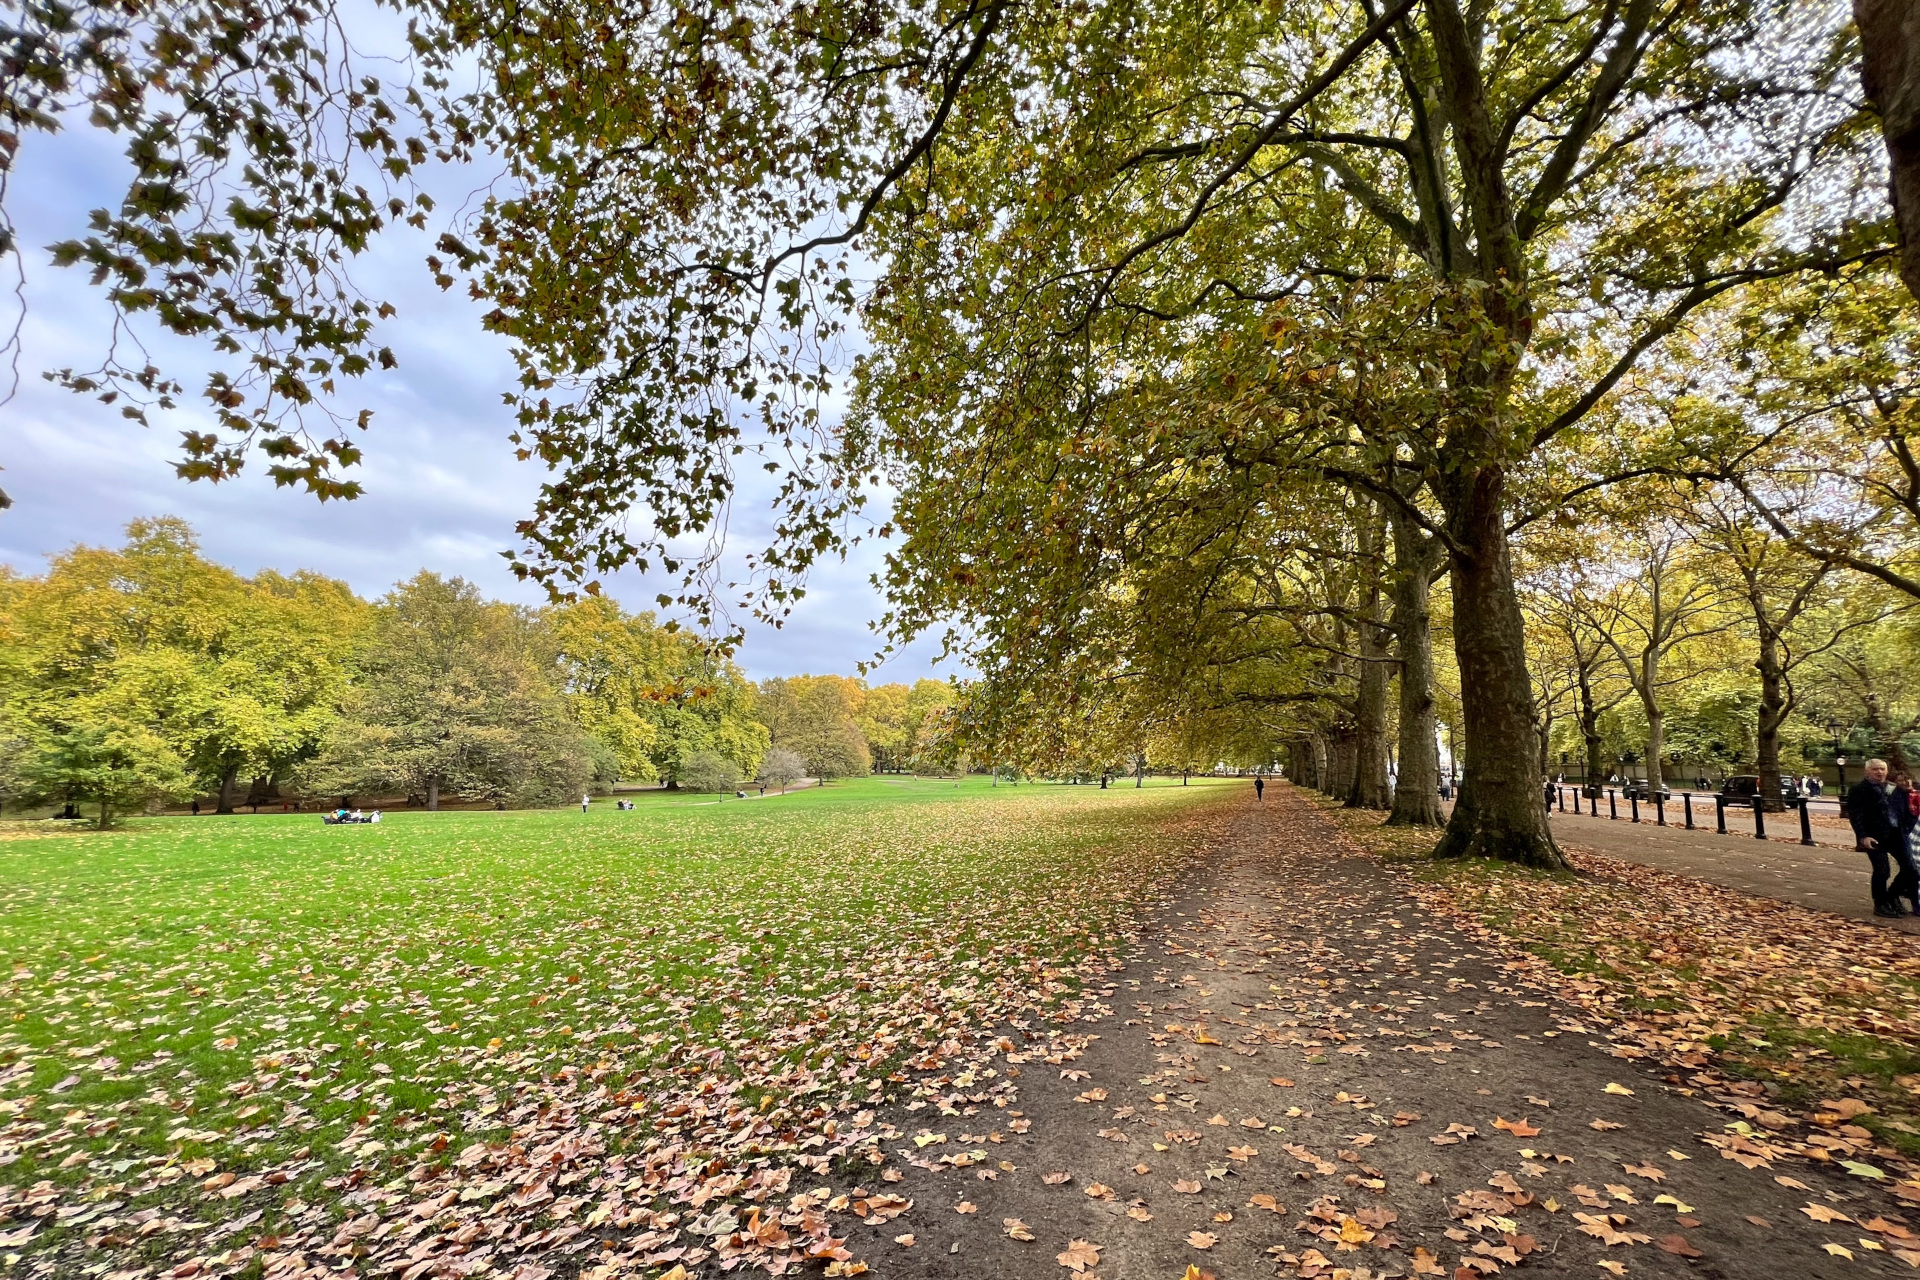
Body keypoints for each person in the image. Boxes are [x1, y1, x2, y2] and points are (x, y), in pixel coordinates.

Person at [1848, 759, 1908, 918]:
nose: (1879, 772)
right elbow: (1855, 815)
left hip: (1895, 835)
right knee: (1883, 870)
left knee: (1911, 869)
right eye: (1875, 769)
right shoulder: (1858, 790)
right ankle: (1880, 904)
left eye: (1882, 769)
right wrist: (1862, 836)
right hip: (1874, 837)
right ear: (1867, 771)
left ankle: (1892, 896)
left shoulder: (1894, 788)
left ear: (1887, 771)